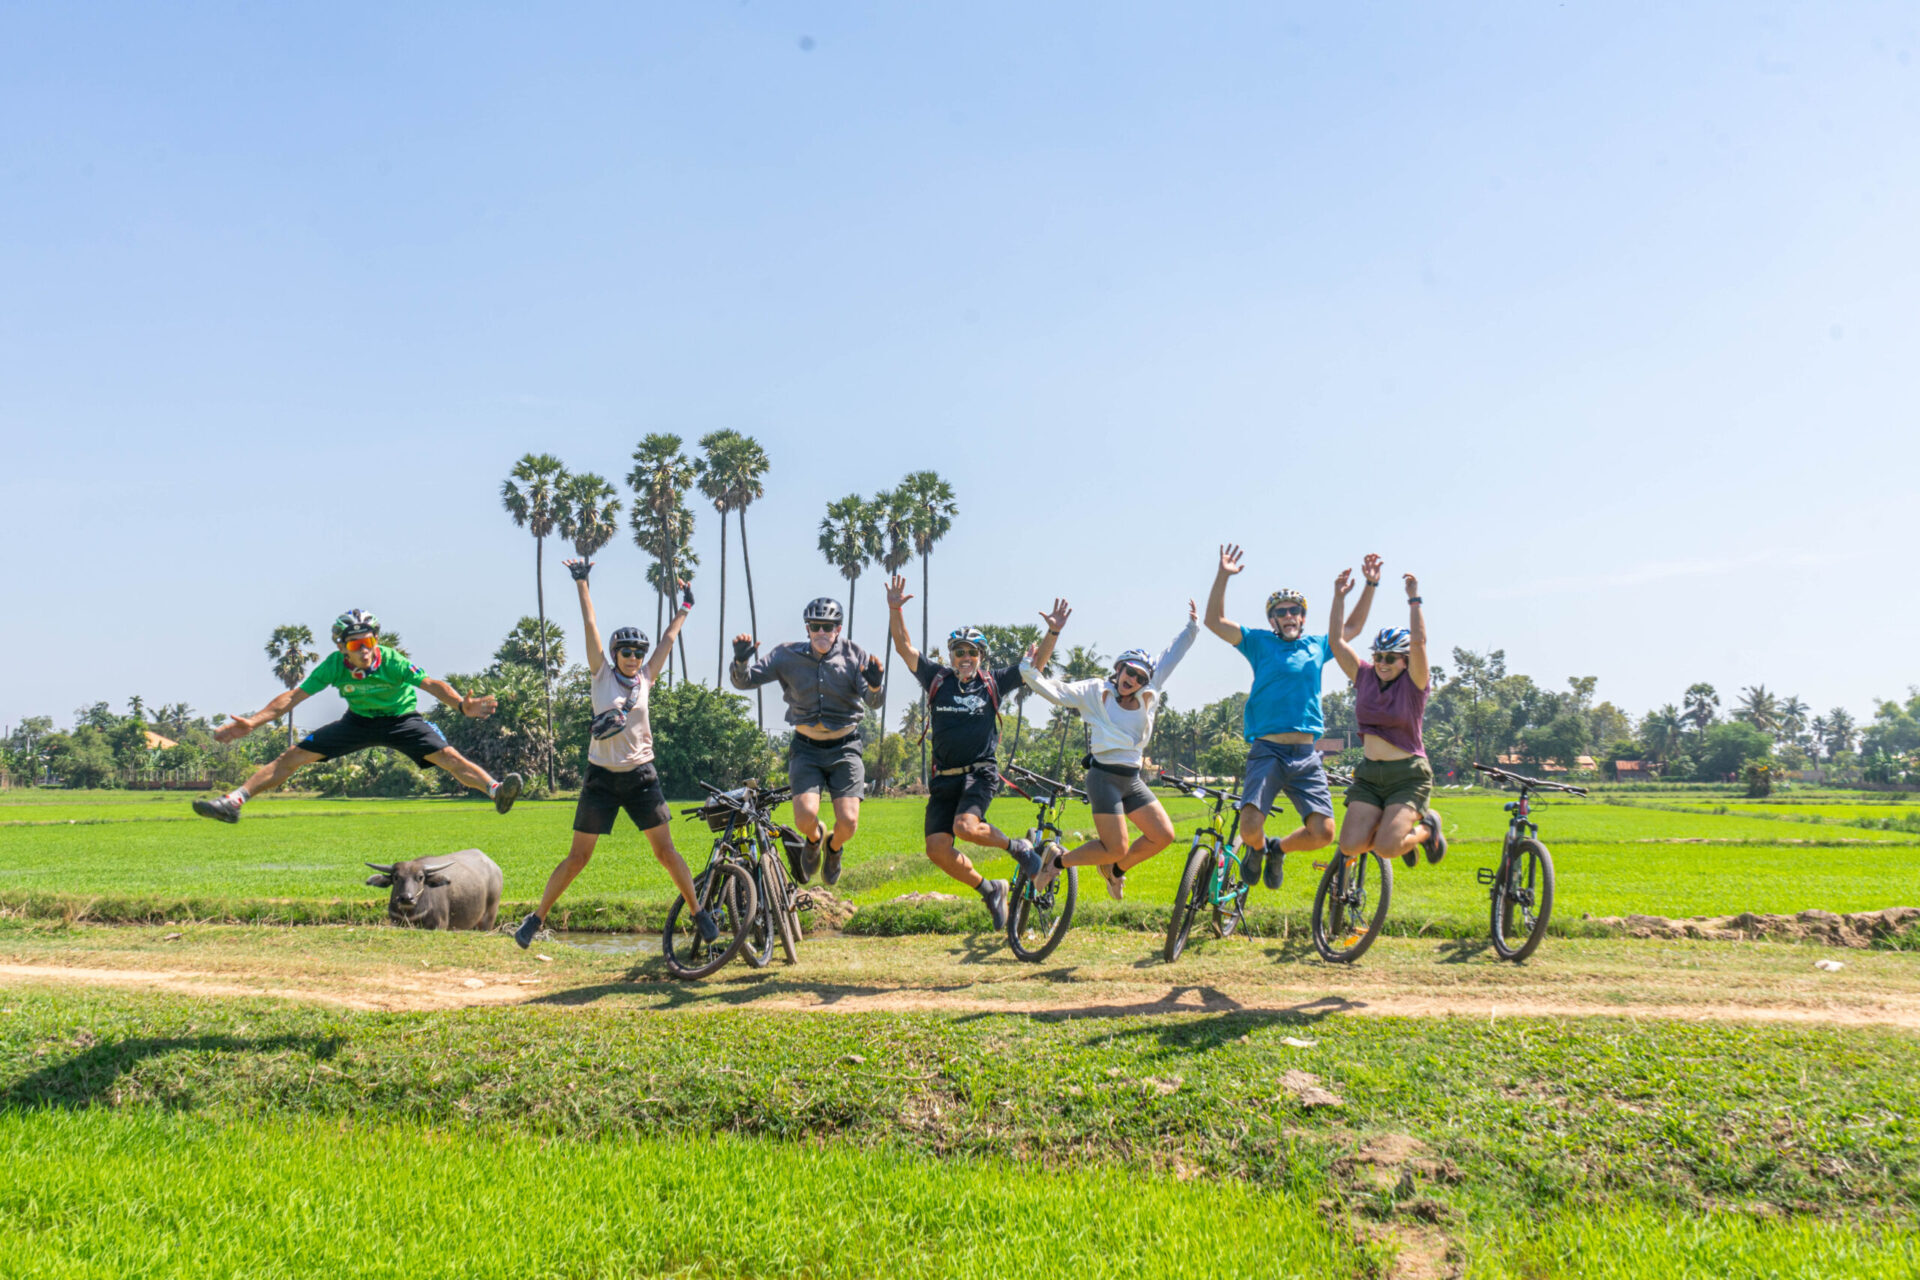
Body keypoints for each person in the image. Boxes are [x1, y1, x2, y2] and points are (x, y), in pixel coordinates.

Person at [514, 560, 714, 949]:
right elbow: (590, 625)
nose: (633, 657)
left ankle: (697, 912)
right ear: (615, 653)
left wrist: (686, 606)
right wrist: (582, 582)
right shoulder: (601, 675)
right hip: (601, 779)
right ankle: (536, 918)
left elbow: (669, 639)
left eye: (638, 652)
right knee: (578, 858)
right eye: (626, 651)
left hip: (641, 778)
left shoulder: (646, 679)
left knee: (665, 852)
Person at [193, 610, 521, 823]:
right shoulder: (334, 666)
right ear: (342, 648)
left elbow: (433, 684)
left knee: (449, 757)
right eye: (355, 644)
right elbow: (293, 697)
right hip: (358, 722)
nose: (364, 650)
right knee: (291, 757)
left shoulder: (392, 661)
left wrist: (462, 705)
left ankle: (496, 791)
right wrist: (254, 721)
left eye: (369, 641)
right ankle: (233, 802)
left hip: (401, 720)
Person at [885, 575, 1070, 930]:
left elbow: (1035, 668)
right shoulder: (937, 678)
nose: (966, 657)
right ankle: (990, 889)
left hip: (979, 773)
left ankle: (1018, 848)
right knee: (937, 849)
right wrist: (895, 610)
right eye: (960, 652)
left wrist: (1053, 632)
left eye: (972, 652)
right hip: (944, 779)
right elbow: (904, 646)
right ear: (951, 656)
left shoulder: (993, 682)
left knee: (966, 827)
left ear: (981, 657)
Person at [1202, 544, 1380, 892]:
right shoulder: (1257, 642)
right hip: (1268, 750)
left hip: (1305, 755)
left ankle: (1276, 850)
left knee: (1323, 833)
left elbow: (1354, 626)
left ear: (1302, 617)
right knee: (1249, 827)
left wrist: (1369, 585)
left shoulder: (1318, 645)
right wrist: (1223, 575)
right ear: (1273, 620)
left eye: (1294, 610)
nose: (1288, 615)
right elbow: (1214, 622)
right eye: (1281, 612)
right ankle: (1256, 848)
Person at [1019, 603, 1199, 901]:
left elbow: (1172, 656)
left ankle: (1114, 871)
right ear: (1119, 668)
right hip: (1104, 778)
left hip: (1132, 779)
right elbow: (1056, 692)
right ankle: (1055, 862)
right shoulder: (1095, 690)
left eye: (1140, 677)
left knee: (1163, 835)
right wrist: (1027, 669)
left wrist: (1192, 627)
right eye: (1130, 672)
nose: (1133, 680)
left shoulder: (1149, 691)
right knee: (1116, 847)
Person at [729, 597, 885, 887]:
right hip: (806, 749)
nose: (821, 632)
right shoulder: (786, 655)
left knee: (849, 822)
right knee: (805, 818)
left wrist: (875, 686)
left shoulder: (855, 655)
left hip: (845, 748)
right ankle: (814, 839)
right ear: (807, 628)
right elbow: (744, 681)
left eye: (828, 626)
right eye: (815, 626)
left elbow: (873, 701)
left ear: (838, 628)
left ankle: (833, 848)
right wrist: (740, 661)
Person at [1325, 570, 1447, 870]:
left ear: (1404, 661)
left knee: (1387, 848)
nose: (1382, 663)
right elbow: (1336, 642)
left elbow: (1419, 643)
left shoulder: (1414, 684)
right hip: (1369, 775)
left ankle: (1427, 828)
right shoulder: (1364, 676)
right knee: (1349, 846)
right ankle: (1395, 831)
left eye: (1390, 658)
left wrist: (1414, 599)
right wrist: (1338, 597)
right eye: (1378, 656)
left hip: (1407, 775)